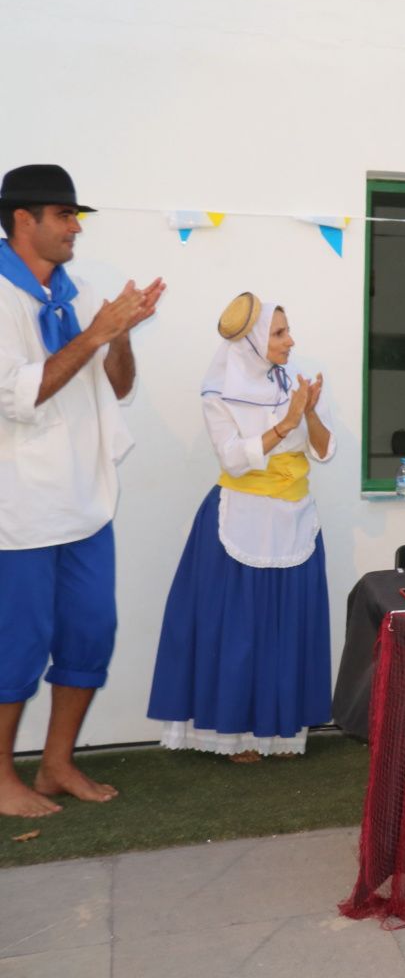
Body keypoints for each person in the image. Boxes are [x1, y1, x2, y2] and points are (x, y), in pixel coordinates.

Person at [0, 164, 161, 817]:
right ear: (22, 221)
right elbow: (22, 395)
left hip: (85, 504)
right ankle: (1, 776)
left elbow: (117, 385)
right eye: (63, 215)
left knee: (91, 632)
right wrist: (97, 330)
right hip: (18, 510)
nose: (74, 227)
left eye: (75, 216)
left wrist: (118, 336)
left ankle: (56, 765)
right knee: (16, 644)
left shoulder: (77, 291)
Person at [148, 293, 332, 760]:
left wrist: (307, 412)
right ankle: (232, 733)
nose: (291, 341)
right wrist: (285, 421)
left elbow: (324, 451)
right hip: (240, 516)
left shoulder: (291, 382)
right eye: (279, 333)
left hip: (294, 515)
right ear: (251, 342)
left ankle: (280, 730)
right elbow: (232, 456)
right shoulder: (217, 394)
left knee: (286, 625)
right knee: (240, 630)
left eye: (287, 330)